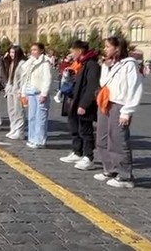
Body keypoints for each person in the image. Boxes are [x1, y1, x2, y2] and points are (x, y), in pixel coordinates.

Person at [94, 36, 143, 188]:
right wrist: (106, 66)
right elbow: (103, 83)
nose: (105, 49)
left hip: (119, 105)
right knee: (102, 138)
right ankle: (110, 169)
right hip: (106, 103)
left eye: (108, 46)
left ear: (117, 48)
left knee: (118, 140)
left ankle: (125, 176)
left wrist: (126, 111)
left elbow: (135, 88)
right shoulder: (110, 64)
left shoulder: (129, 65)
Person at [60, 40, 101, 170]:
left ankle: (88, 157)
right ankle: (77, 152)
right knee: (75, 128)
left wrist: (84, 104)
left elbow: (92, 87)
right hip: (75, 101)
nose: (71, 53)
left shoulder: (92, 65)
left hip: (84, 103)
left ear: (80, 50)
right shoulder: (80, 63)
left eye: (73, 50)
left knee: (86, 130)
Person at [20, 43, 53, 149]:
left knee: (41, 117)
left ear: (41, 50)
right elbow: (25, 74)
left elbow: (47, 79)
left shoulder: (45, 62)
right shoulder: (31, 62)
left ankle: (39, 140)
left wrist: (44, 93)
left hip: (39, 93)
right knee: (32, 117)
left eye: (35, 50)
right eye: (32, 50)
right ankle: (32, 138)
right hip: (31, 92)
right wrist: (23, 93)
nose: (33, 52)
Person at [4, 46, 26, 140]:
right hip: (11, 90)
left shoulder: (21, 64)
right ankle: (13, 128)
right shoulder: (11, 62)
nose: (11, 54)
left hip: (18, 91)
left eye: (13, 52)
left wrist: (21, 91)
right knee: (11, 110)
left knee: (19, 111)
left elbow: (23, 79)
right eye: (10, 52)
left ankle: (20, 131)